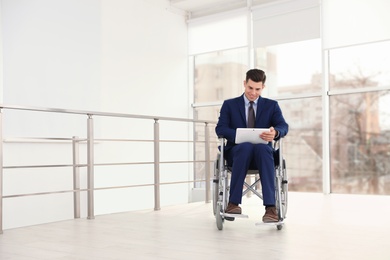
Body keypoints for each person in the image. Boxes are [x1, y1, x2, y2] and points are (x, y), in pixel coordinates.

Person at [215, 68, 288, 223]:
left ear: (263, 88)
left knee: (263, 148)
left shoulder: (271, 106)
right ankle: (233, 203)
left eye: (257, 89)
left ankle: (270, 208)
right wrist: (239, 135)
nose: (253, 93)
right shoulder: (230, 105)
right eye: (250, 88)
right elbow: (220, 128)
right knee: (245, 146)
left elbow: (283, 126)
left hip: (262, 156)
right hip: (237, 154)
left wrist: (275, 133)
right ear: (244, 84)